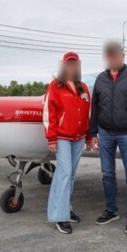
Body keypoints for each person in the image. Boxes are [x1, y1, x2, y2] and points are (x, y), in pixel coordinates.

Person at [89, 41, 127, 235]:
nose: (112, 58)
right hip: (105, 133)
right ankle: (111, 210)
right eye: (109, 55)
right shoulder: (101, 79)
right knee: (107, 174)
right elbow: (95, 108)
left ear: (123, 56)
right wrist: (93, 133)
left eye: (116, 54)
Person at [43, 51, 92, 234]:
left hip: (78, 138)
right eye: (68, 64)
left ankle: (67, 209)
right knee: (64, 173)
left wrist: (87, 136)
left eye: (75, 64)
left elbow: (88, 113)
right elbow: (49, 114)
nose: (72, 67)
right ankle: (59, 216)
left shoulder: (84, 88)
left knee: (70, 175)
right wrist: (51, 138)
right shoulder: (55, 86)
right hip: (63, 137)